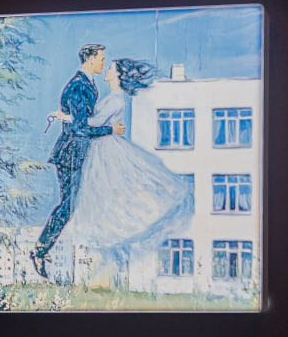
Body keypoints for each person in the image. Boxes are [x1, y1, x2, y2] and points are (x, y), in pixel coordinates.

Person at [51, 58, 191, 252]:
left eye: (111, 68)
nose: (106, 70)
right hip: (99, 145)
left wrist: (66, 117)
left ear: (118, 75)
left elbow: (95, 121)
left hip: (104, 148)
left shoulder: (116, 99)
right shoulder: (112, 97)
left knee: (107, 191)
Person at [30, 44, 124, 277]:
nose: (103, 63)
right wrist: (110, 130)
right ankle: (40, 250)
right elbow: (81, 128)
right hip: (71, 152)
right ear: (90, 59)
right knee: (69, 204)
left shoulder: (87, 84)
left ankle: (41, 249)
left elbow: (80, 121)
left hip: (77, 151)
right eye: (101, 59)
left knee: (71, 204)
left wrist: (66, 117)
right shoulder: (79, 86)